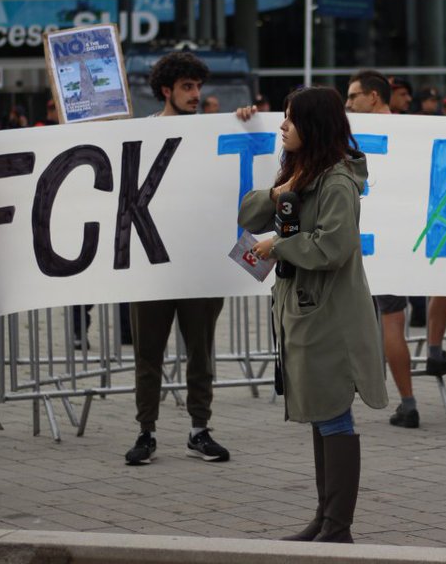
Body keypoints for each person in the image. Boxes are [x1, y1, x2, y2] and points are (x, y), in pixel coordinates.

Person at [238, 86, 388, 543]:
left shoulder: (336, 181)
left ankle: (337, 527)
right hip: (306, 312)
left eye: (291, 118)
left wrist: (278, 245)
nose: (283, 126)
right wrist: (280, 191)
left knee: (334, 414)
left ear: (315, 125)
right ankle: (325, 520)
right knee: (323, 414)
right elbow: (249, 215)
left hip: (331, 316)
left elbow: (333, 247)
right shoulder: (302, 172)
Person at [124, 51, 230, 465]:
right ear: (166, 90)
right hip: (152, 263)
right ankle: (146, 431)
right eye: (187, 87)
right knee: (147, 354)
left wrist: (247, 122)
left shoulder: (213, 131)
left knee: (201, 352)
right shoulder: (142, 133)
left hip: (199, 263)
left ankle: (199, 429)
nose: (196, 94)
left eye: (198, 86)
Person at [344, 70, 446, 429]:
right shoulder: (413, 129)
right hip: (415, 232)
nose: (348, 103)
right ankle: (434, 350)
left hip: (382, 240)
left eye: (353, 96)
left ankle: (408, 403)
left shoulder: (351, 137)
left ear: (373, 97)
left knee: (393, 319)